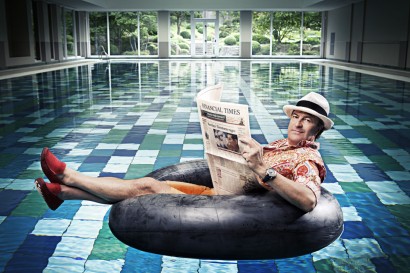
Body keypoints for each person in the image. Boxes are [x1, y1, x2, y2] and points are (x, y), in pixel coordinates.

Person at [35, 92, 333, 212]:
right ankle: (62, 192)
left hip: (231, 205)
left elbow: (308, 200)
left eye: (307, 120)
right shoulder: (281, 145)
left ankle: (66, 175)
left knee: (147, 187)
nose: (298, 123)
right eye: (296, 116)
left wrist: (263, 170)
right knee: (137, 189)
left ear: (316, 131)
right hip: (223, 189)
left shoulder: (307, 159)